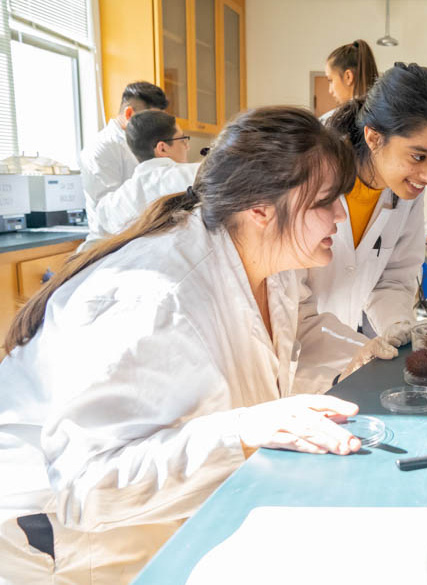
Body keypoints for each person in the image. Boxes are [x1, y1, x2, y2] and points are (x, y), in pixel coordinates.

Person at [0, 106, 397, 584]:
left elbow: (294, 332)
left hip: (157, 511)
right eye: (327, 201)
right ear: (260, 209)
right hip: (60, 536)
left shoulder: (268, 260)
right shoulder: (155, 297)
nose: (340, 215)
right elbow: (88, 486)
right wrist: (246, 428)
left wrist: (369, 350)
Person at [307, 62, 427, 346]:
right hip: (290, 347)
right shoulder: (311, 174)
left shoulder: (404, 189)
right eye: (418, 156)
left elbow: (392, 277)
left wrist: (397, 325)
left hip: (343, 345)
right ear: (374, 137)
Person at [84, 110, 197, 246]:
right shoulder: (193, 175)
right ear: (162, 149)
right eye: (183, 140)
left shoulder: (110, 205)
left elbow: (92, 245)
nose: (187, 146)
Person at [79, 82, 168, 228]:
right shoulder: (100, 148)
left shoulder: (140, 143)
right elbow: (108, 210)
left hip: (139, 235)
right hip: (114, 241)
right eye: (151, 121)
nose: (157, 129)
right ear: (129, 114)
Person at [324, 39, 379, 106]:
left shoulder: (335, 116)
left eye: (330, 80)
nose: (330, 91)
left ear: (348, 77)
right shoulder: (386, 111)